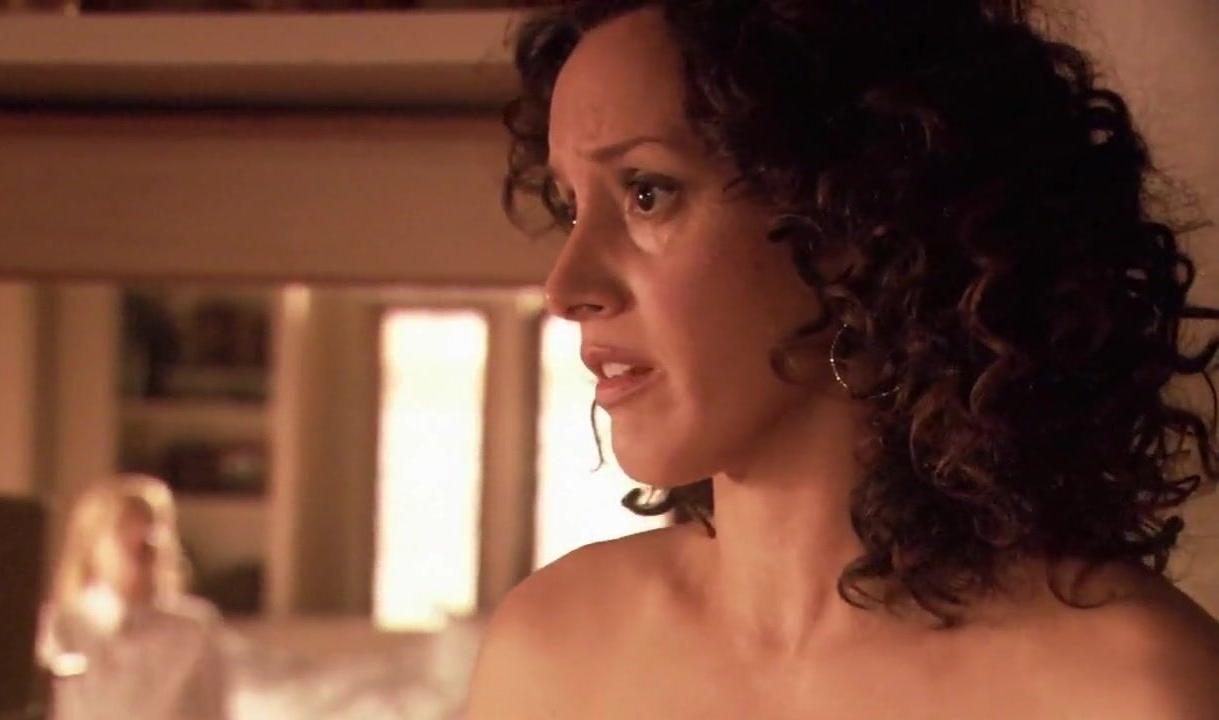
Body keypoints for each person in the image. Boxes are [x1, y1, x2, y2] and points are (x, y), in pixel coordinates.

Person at [466, 1, 1219, 717]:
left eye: (647, 193)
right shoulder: (554, 652)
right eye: (571, 206)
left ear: (855, 216)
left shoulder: (1133, 690)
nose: (566, 287)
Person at [37, 474, 229, 720]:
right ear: (92, 545)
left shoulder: (195, 629)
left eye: (151, 526)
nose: (142, 538)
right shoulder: (59, 628)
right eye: (124, 527)